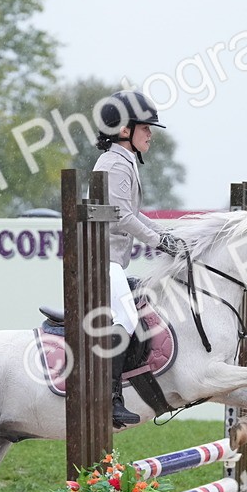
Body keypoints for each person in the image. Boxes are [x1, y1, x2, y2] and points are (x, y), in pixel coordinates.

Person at [92, 90, 185, 428]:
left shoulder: (123, 160)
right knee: (126, 319)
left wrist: (166, 235)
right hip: (102, 261)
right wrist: (160, 241)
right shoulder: (115, 163)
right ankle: (110, 398)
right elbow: (121, 216)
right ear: (124, 129)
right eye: (145, 128)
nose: (150, 134)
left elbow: (132, 212)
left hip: (111, 260)